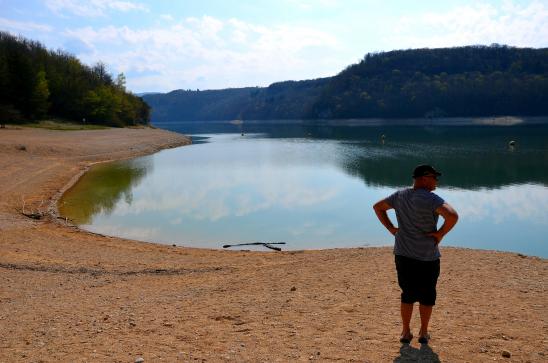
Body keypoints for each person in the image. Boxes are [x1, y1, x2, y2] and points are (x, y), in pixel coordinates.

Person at [373, 164, 458, 344]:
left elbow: (377, 207)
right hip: (428, 257)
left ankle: (405, 332)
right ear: (425, 178)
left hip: (403, 255)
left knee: (407, 294)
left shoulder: (399, 195)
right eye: (435, 177)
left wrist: (390, 228)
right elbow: (452, 216)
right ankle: (423, 332)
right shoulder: (431, 199)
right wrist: (440, 233)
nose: (437, 181)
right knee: (428, 295)